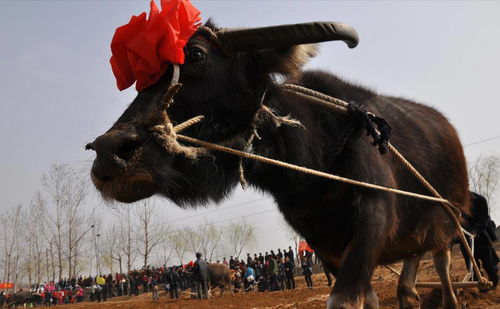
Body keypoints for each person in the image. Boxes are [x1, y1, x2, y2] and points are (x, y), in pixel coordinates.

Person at [460, 192, 499, 290]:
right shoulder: (455, 202)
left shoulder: (480, 200)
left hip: (481, 236)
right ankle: (480, 286)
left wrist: (475, 231)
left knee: (489, 263)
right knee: (471, 266)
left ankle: (494, 282)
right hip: (465, 238)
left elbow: (484, 219)